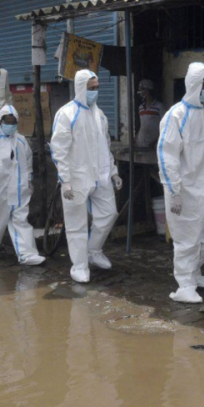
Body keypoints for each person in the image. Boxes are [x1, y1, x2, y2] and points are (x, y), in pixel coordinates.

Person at [156, 62, 204, 303]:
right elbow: (167, 154)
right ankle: (184, 285)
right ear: (194, 86)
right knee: (187, 239)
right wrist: (173, 190)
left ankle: (193, 270)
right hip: (185, 190)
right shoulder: (176, 115)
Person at [50, 69, 121, 283]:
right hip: (76, 178)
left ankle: (94, 250)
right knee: (76, 223)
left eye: (97, 88)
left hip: (100, 176)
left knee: (109, 213)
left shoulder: (100, 115)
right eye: (91, 88)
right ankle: (79, 266)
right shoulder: (67, 114)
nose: (95, 92)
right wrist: (65, 180)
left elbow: (105, 146)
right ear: (81, 88)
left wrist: (113, 172)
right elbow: (59, 150)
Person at [0, 105, 44, 265]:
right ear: (0, 122)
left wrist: (29, 180)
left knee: (20, 220)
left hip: (18, 190)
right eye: (7, 121)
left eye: (13, 122)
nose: (10, 125)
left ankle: (27, 254)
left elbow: (28, 161)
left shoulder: (21, 141)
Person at [135, 79, 164, 149]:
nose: (139, 93)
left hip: (153, 145)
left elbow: (165, 126)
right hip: (141, 143)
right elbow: (142, 124)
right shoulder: (141, 108)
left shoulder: (159, 106)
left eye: (141, 90)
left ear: (147, 91)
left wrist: (156, 140)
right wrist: (136, 138)